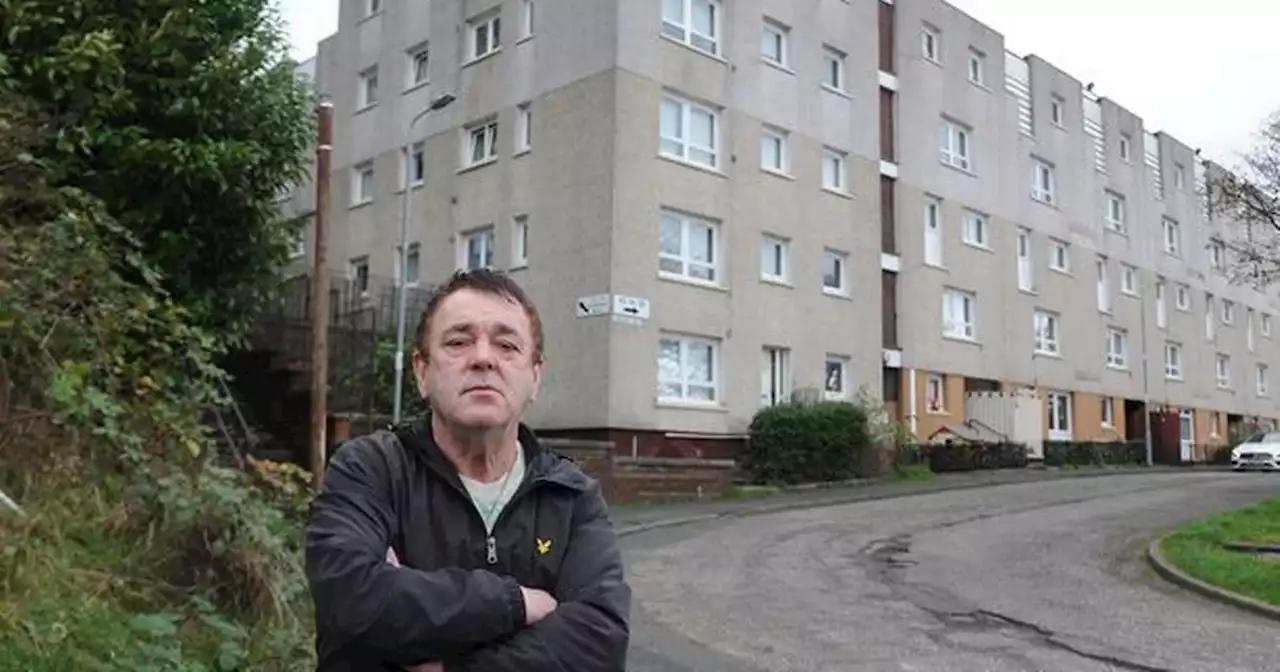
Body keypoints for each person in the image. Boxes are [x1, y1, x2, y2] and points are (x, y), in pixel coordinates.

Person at [305, 268, 631, 671]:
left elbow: (600, 640)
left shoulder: (570, 496)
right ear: (422, 372)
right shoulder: (369, 470)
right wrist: (517, 604)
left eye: (507, 345)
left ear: (535, 377)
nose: (482, 358)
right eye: (458, 342)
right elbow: (352, 599)